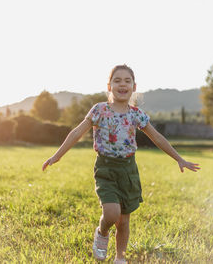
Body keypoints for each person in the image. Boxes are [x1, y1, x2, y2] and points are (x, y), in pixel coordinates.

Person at [42, 64, 200, 264]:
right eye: (117, 80)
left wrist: (179, 158)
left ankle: (120, 258)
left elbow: (157, 137)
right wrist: (57, 155)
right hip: (106, 169)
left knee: (124, 220)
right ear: (109, 86)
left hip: (128, 170)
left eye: (127, 81)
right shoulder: (99, 110)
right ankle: (102, 231)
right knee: (112, 213)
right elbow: (76, 132)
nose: (122, 84)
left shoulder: (136, 114)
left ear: (134, 87)